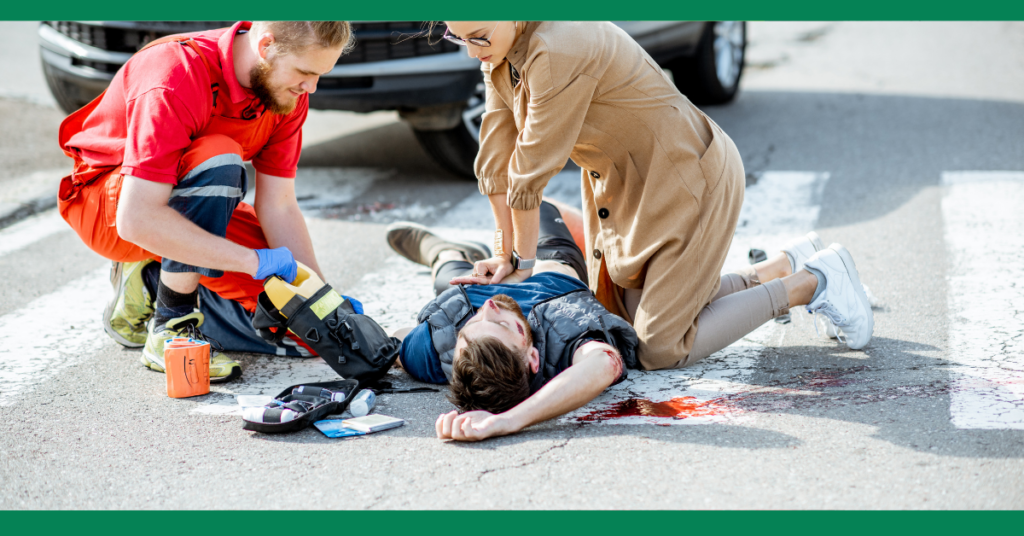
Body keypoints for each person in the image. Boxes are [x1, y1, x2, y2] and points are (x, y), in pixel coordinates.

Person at [438, 22, 874, 375]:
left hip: (684, 178)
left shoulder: (555, 49)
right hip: (626, 187)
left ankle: (812, 281)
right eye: (458, 37)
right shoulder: (501, 49)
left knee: (659, 347)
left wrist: (525, 267)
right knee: (624, 321)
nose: (473, 51)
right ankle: (781, 266)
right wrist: (502, 254)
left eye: (479, 38)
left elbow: (528, 174)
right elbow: (496, 161)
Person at [57, 21, 354, 382]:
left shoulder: (287, 93)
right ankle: (172, 323)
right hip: (112, 206)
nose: (312, 87)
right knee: (218, 155)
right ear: (266, 46)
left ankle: (150, 282)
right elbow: (136, 219)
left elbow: (279, 206)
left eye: (321, 74)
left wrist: (321, 301)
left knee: (311, 334)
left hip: (194, 204)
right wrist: (250, 261)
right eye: (306, 72)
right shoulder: (176, 73)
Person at [385, 199, 640, 441]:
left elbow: (394, 341)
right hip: (546, 261)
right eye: (503, 324)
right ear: (533, 358)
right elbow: (605, 362)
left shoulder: (432, 352)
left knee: (446, 279)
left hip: (478, 282)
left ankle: (446, 254)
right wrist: (509, 421)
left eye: (470, 325)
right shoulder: (562, 342)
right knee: (534, 204)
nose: (489, 306)